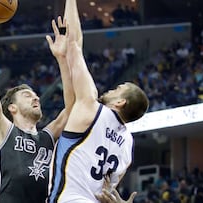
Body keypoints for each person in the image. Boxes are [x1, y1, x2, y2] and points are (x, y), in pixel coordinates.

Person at [47, 0, 149, 202]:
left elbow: (74, 42)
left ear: (120, 102)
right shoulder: (127, 144)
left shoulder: (91, 107)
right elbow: (107, 192)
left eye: (117, 89)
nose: (111, 89)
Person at [0, 0, 74, 202]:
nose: (36, 97)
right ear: (12, 108)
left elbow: (74, 108)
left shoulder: (48, 138)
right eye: (27, 95)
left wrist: (63, 59)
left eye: (35, 94)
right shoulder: (1, 130)